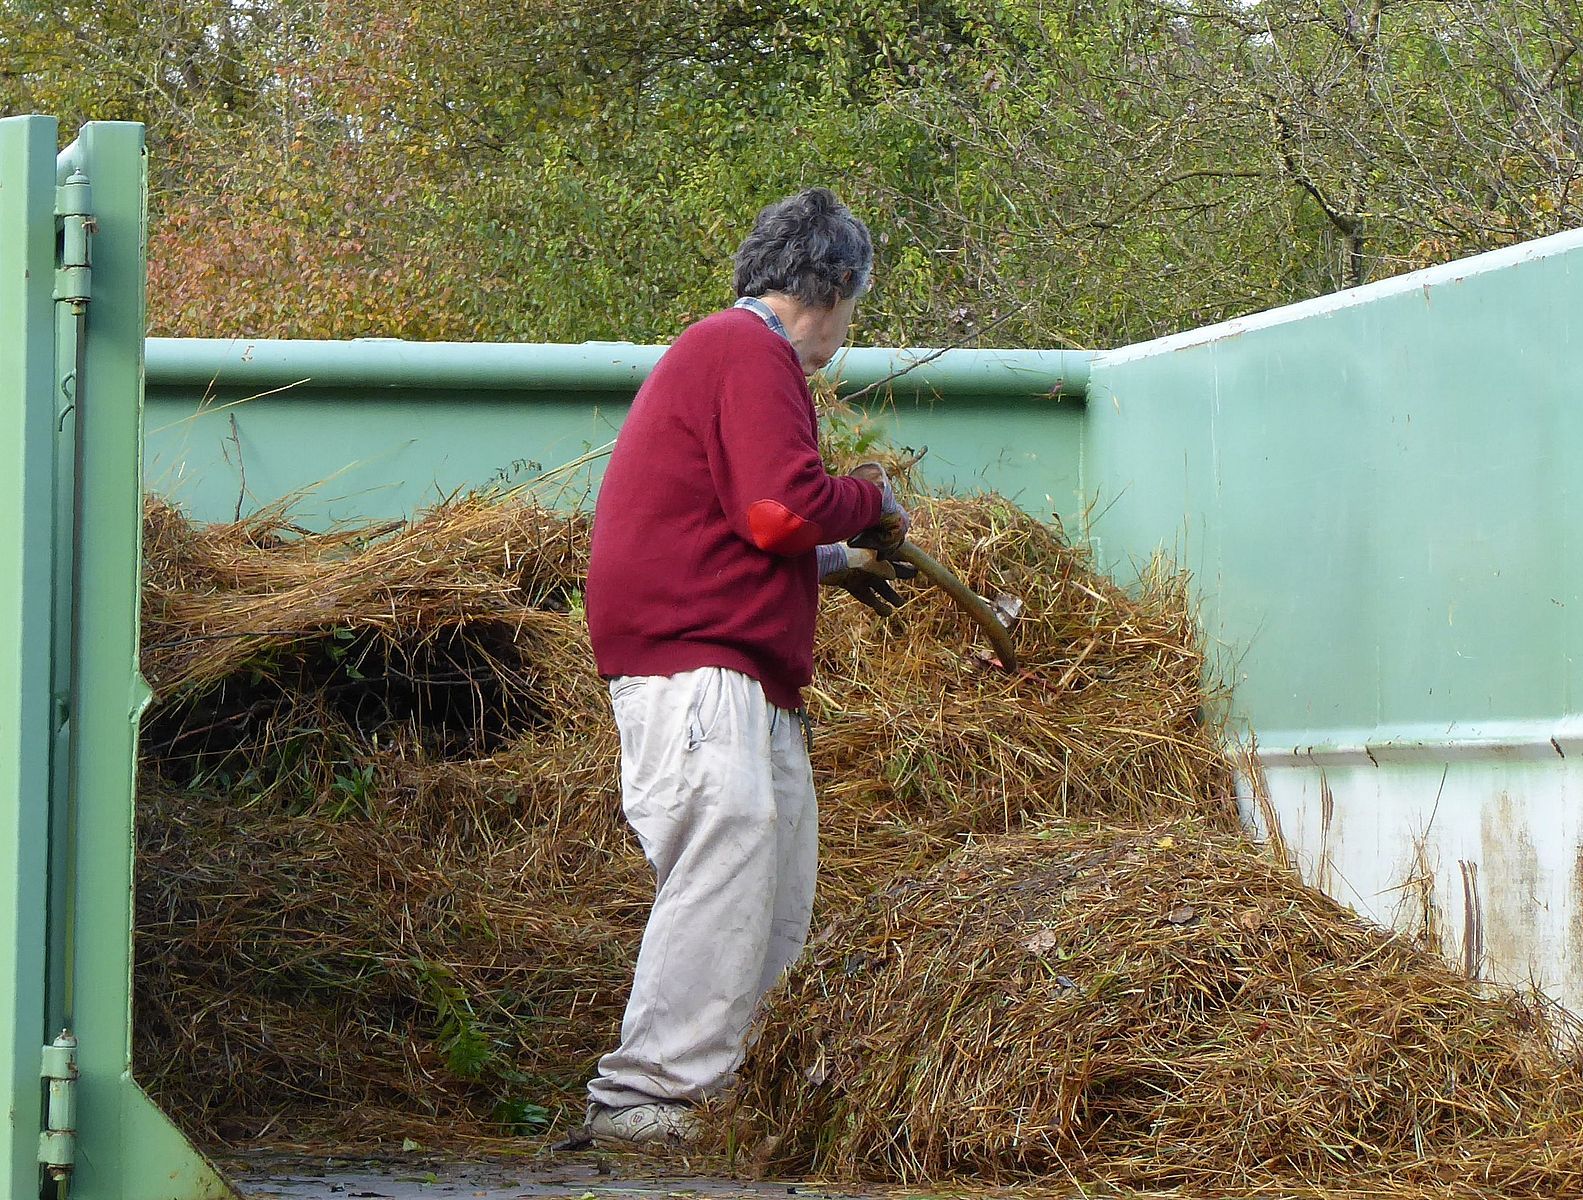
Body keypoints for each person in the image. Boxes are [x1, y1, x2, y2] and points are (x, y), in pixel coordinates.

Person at [580, 188, 911, 1145]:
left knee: (772, 885)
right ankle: (646, 1096)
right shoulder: (745, 351)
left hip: (739, 673)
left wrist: (840, 563)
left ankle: (727, 1096)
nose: (852, 325)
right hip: (697, 670)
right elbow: (778, 508)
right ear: (839, 286)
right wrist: (871, 499)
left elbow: (737, 531)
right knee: (725, 868)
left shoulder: (732, 358)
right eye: (858, 304)